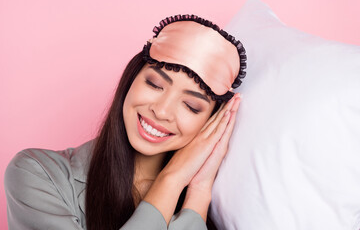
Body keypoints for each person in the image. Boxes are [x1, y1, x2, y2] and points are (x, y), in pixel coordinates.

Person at [4, 14, 247, 230]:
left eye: (191, 106)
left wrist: (199, 194)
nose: (161, 111)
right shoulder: (37, 173)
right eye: (154, 84)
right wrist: (171, 180)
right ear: (131, 80)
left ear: (210, 123)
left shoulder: (213, 204)